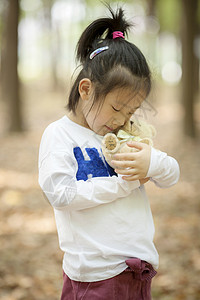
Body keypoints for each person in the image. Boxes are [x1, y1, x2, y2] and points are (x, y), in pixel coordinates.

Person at [38, 6, 180, 300]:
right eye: (117, 108)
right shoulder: (59, 135)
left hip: (138, 272)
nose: (121, 120)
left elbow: (171, 175)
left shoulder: (125, 133)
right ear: (86, 90)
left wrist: (151, 163)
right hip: (95, 277)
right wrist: (123, 184)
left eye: (131, 111)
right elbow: (61, 195)